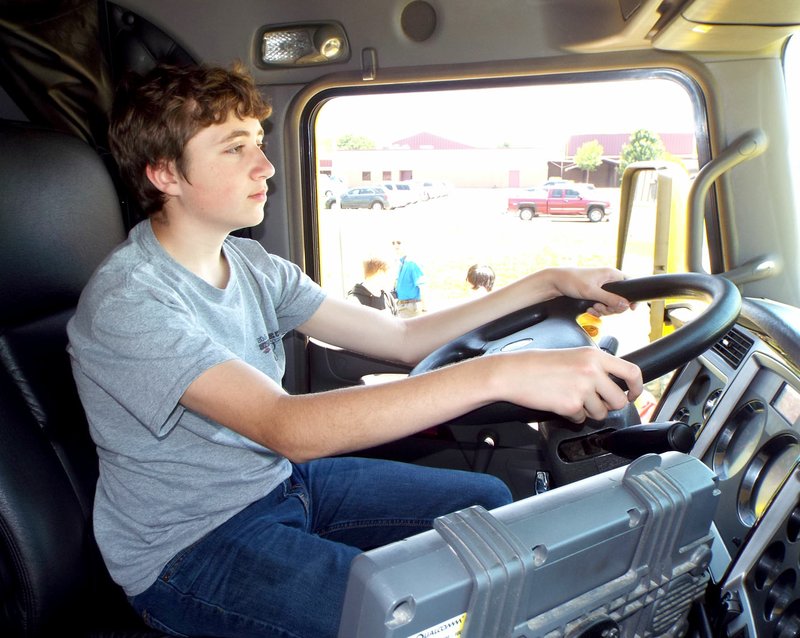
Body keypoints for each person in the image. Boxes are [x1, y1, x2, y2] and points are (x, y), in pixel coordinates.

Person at [66, 62, 642, 638]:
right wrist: (500, 375)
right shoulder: (129, 302)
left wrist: (549, 282)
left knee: (487, 503)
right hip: (190, 547)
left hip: (280, 484)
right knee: (418, 617)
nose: (264, 166)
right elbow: (283, 425)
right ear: (165, 173)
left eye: (260, 143)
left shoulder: (252, 266)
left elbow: (401, 337)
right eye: (234, 148)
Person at [393, 239, 427, 316]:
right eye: (393, 243)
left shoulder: (413, 263)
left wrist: (424, 309)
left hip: (412, 307)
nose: (395, 245)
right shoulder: (400, 263)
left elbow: (423, 287)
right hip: (401, 306)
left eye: (399, 242)